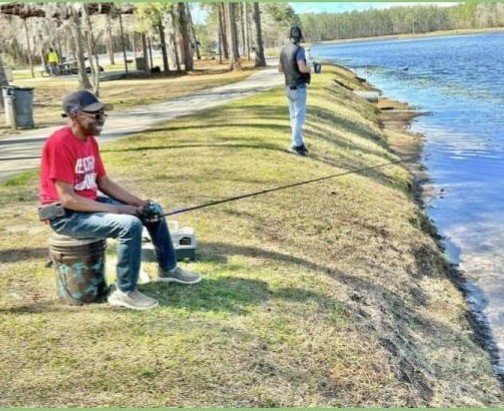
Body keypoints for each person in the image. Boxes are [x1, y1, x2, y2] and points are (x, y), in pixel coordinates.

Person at [39, 90, 201, 311]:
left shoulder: (89, 142)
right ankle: (124, 291)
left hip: (87, 204)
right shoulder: (60, 143)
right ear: (75, 115)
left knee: (152, 210)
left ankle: (168, 269)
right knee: (129, 225)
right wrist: (120, 211)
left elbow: (103, 182)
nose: (102, 119)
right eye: (96, 115)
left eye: (103, 114)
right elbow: (68, 199)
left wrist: (138, 203)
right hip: (66, 216)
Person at [279, 26, 312, 156]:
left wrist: (290, 72)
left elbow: (280, 69)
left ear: (290, 37)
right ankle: (296, 144)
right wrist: (310, 69)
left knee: (294, 117)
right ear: (300, 38)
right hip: (299, 87)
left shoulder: (283, 50)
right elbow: (302, 68)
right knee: (300, 117)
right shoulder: (300, 50)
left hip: (288, 87)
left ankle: (299, 142)